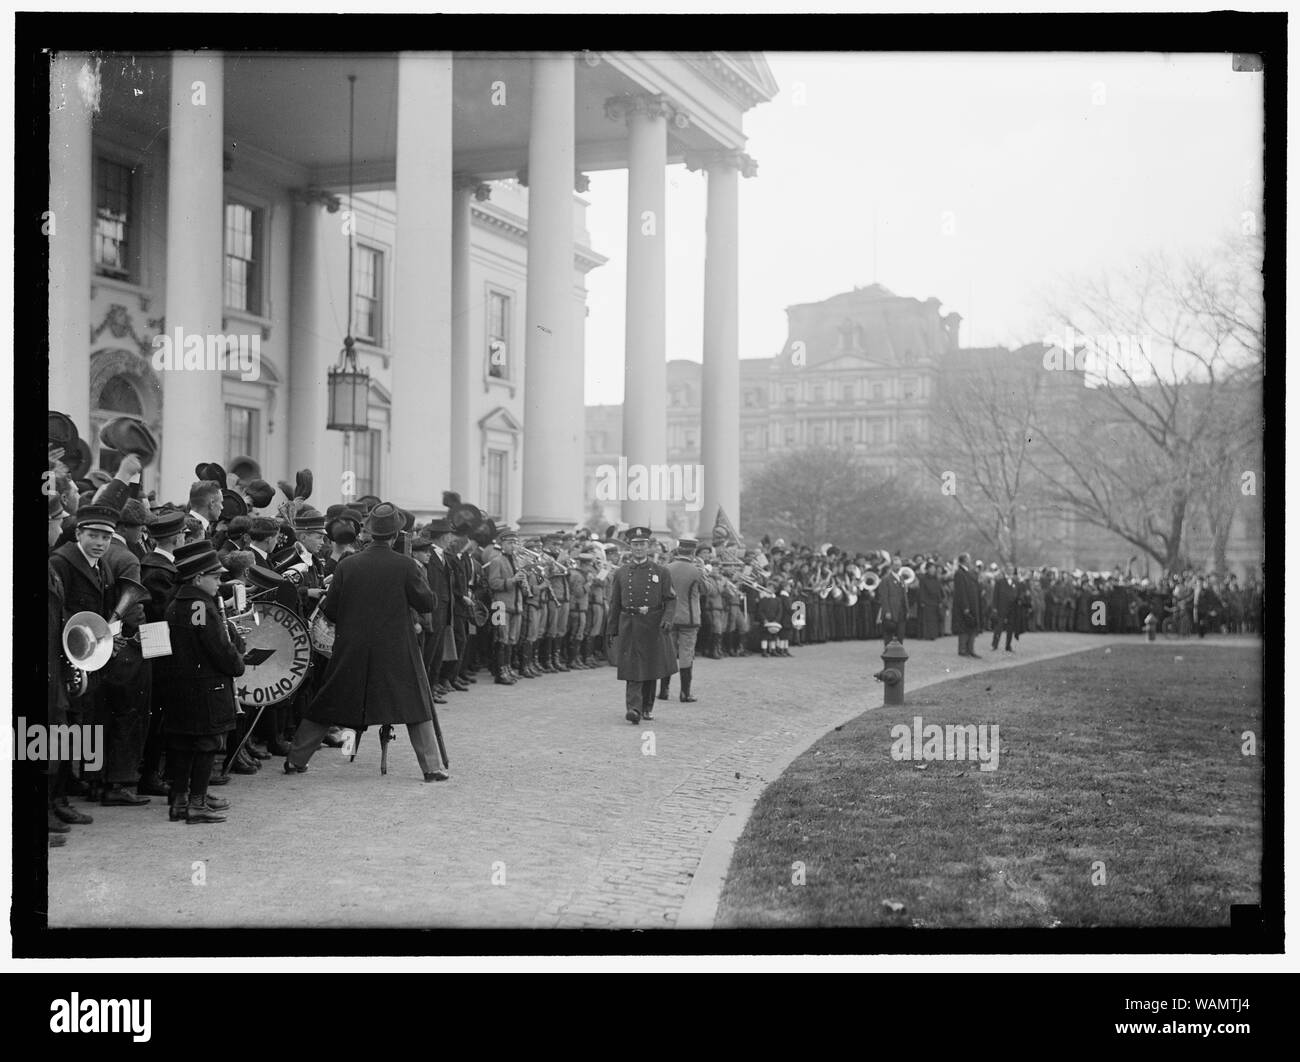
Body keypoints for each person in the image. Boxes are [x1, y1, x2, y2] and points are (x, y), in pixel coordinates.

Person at [285, 503, 448, 781]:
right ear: (397, 535)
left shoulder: (349, 565)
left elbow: (331, 609)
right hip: (397, 648)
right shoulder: (406, 565)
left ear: (369, 533)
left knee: (331, 703)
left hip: (352, 647)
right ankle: (431, 768)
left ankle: (296, 760)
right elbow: (427, 603)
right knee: (415, 705)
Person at [155, 543, 243, 823]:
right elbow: (216, 647)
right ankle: (197, 804)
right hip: (205, 688)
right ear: (197, 578)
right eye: (215, 577)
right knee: (206, 743)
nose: (220, 583)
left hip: (179, 687)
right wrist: (237, 663)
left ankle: (180, 801)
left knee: (182, 742)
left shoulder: (177, 602)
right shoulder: (199, 606)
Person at [606, 526, 677, 724]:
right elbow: (615, 603)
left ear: (648, 546)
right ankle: (633, 709)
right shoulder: (621, 573)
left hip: (652, 624)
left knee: (650, 668)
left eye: (642, 544)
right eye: (635, 545)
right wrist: (612, 628)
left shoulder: (661, 572)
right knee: (631, 667)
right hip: (629, 623)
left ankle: (647, 707)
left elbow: (671, 599)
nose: (638, 548)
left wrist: (667, 619)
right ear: (630, 546)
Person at [662, 538, 706, 701]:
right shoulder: (696, 570)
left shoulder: (666, 568)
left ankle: (664, 691)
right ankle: (684, 692)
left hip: (669, 616)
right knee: (686, 654)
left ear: (679, 550)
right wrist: (703, 571)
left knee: (668, 653)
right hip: (689, 617)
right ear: (693, 552)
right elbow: (707, 589)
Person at [953, 552, 983, 659]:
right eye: (969, 559)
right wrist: (965, 606)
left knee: (972, 626)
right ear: (964, 560)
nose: (970, 561)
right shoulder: (959, 573)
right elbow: (961, 592)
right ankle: (962, 649)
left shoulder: (968, 572)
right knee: (964, 627)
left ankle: (970, 649)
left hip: (973, 603)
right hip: (965, 605)